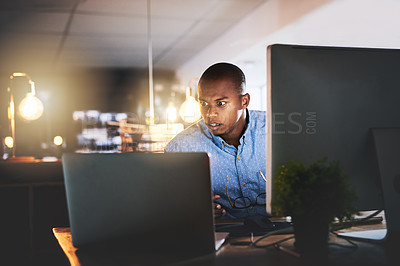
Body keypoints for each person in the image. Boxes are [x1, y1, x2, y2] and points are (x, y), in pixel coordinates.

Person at [165, 62, 266, 219]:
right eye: (204, 103)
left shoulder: (275, 132)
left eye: (221, 103)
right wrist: (192, 209)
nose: (210, 113)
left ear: (244, 101)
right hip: (221, 237)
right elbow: (168, 206)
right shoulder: (180, 148)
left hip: (282, 232)